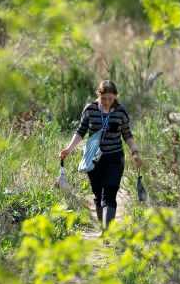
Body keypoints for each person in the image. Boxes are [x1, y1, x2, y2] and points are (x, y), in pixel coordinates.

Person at [59, 80, 142, 230]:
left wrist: (135, 152)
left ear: (116, 97)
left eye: (111, 99)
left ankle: (107, 232)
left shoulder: (120, 112)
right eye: (104, 98)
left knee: (110, 193)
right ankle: (103, 227)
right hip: (93, 158)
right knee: (98, 195)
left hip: (114, 158)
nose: (107, 102)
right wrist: (68, 149)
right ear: (99, 95)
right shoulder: (90, 109)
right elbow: (81, 131)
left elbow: (127, 134)